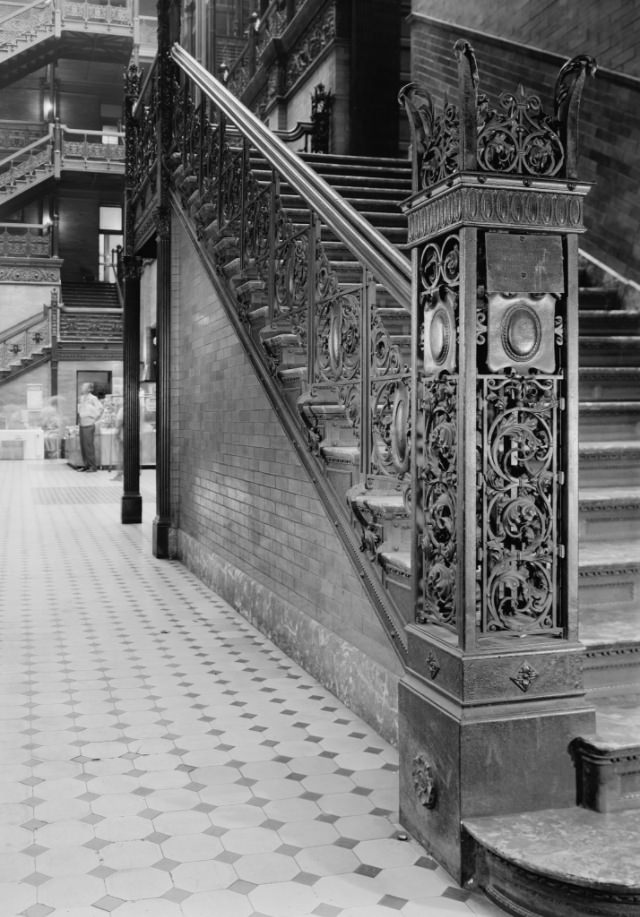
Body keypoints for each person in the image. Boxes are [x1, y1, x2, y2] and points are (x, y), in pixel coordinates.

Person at [77, 382, 103, 472]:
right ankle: (86, 465)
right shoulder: (81, 398)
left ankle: (93, 466)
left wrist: (94, 419)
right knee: (83, 446)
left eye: (84, 387)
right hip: (82, 423)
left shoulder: (93, 398)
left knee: (89, 446)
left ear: (89, 389)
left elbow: (100, 409)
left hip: (89, 424)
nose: (82, 388)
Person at [111, 403, 124, 481]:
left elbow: (119, 421)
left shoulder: (122, 409)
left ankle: (119, 475)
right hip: (134, 436)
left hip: (123, 436)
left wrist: (117, 432)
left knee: (121, 455)